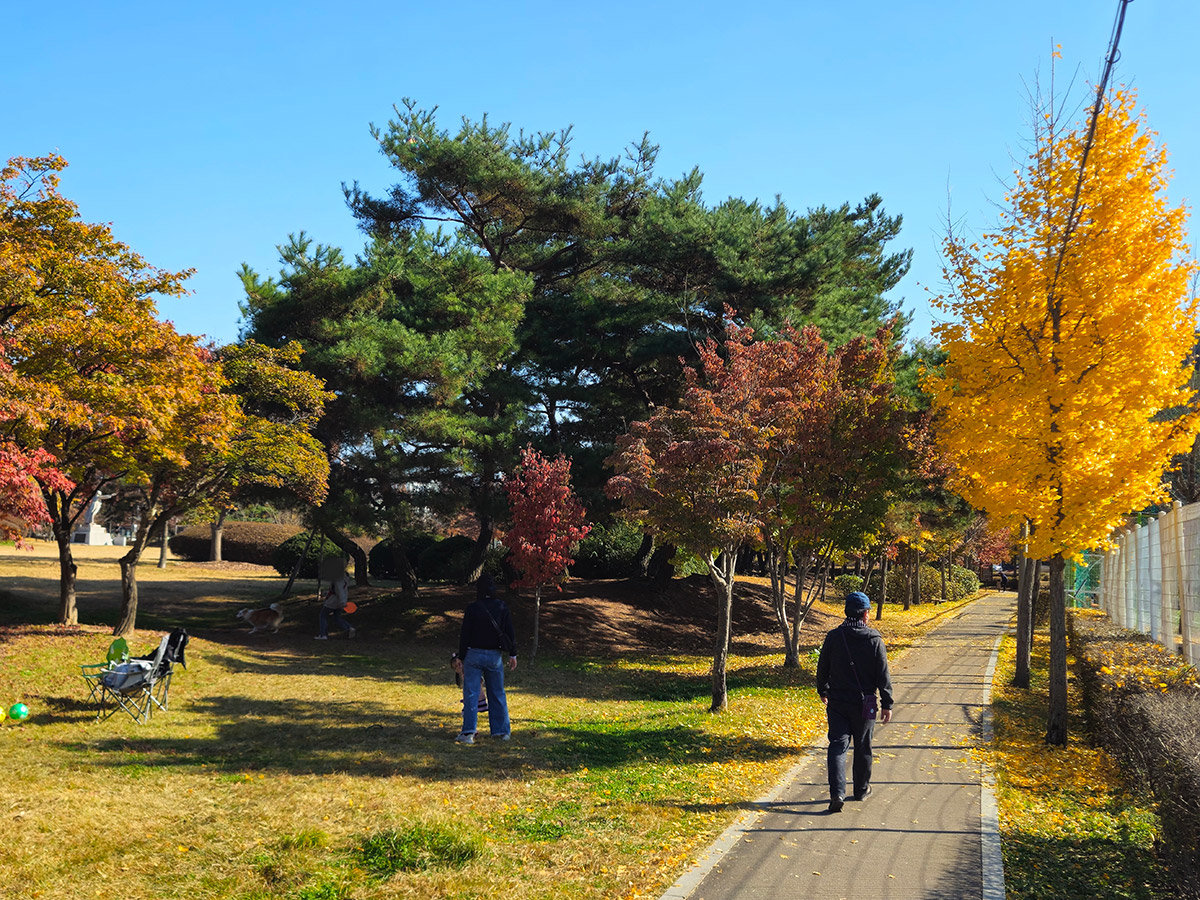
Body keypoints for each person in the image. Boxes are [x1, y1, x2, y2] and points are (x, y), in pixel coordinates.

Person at [816, 590, 893, 813]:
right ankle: (861, 789)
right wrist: (887, 703)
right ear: (866, 614)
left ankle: (837, 793)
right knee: (863, 745)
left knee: (838, 746)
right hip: (865, 703)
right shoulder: (874, 639)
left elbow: (823, 668)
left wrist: (823, 690)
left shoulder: (834, 637)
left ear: (847, 612)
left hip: (838, 701)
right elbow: (883, 674)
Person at [452, 573, 516, 744]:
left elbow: (465, 634)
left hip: (474, 654)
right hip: (494, 655)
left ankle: (468, 733)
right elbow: (509, 631)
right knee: (497, 693)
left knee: (471, 693)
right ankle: (501, 732)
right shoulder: (502, 606)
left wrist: (461, 656)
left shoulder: (473, 608)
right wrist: (513, 653)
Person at [315, 561, 355, 640]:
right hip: (340, 600)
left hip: (334, 600)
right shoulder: (345, 577)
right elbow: (340, 590)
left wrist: (342, 601)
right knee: (336, 617)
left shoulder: (338, 578)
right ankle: (349, 627)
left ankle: (323, 634)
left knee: (323, 615)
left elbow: (338, 590)